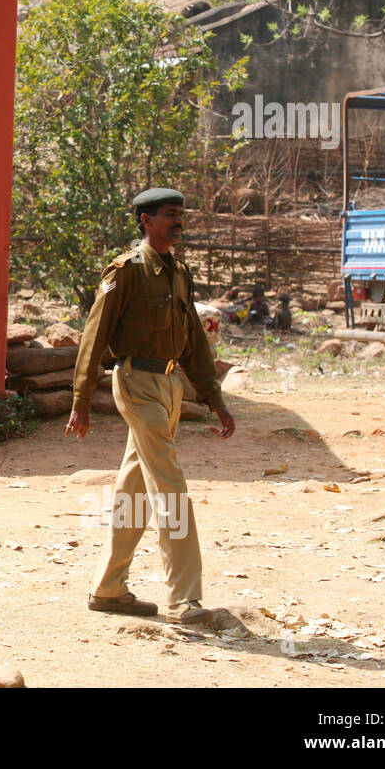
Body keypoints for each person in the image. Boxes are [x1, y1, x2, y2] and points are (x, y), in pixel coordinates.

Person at [65, 188, 236, 624]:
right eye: (170, 215)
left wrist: (215, 399)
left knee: (135, 487)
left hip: (170, 383)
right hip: (136, 381)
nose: (179, 221)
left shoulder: (179, 272)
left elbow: (194, 341)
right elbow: (93, 337)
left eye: (181, 214)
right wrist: (81, 400)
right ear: (147, 221)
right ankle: (184, 600)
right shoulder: (127, 272)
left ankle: (109, 589)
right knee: (171, 486)